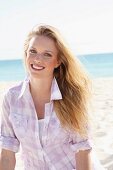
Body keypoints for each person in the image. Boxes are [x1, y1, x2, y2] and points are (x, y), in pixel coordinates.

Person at [0, 24, 105, 170]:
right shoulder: (11, 99)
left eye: (47, 54)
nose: (37, 59)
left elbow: (83, 150)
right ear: (26, 54)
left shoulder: (73, 97)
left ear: (58, 61)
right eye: (33, 51)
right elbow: (7, 153)